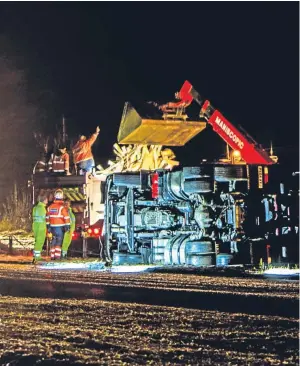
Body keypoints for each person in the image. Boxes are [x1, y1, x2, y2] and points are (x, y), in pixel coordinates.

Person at [46, 189, 70, 260]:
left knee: (53, 240)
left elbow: (47, 217)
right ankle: (57, 256)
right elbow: (66, 217)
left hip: (52, 227)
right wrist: (67, 226)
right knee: (59, 241)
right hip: (60, 227)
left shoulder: (49, 207)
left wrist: (48, 226)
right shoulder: (62, 208)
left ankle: (52, 256)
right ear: (62, 197)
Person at [32, 194, 48, 263]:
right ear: (44, 200)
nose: (47, 201)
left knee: (37, 241)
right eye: (46, 200)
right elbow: (45, 218)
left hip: (35, 225)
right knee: (40, 241)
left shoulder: (35, 208)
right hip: (41, 226)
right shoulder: (43, 208)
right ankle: (37, 257)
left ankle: (35, 256)